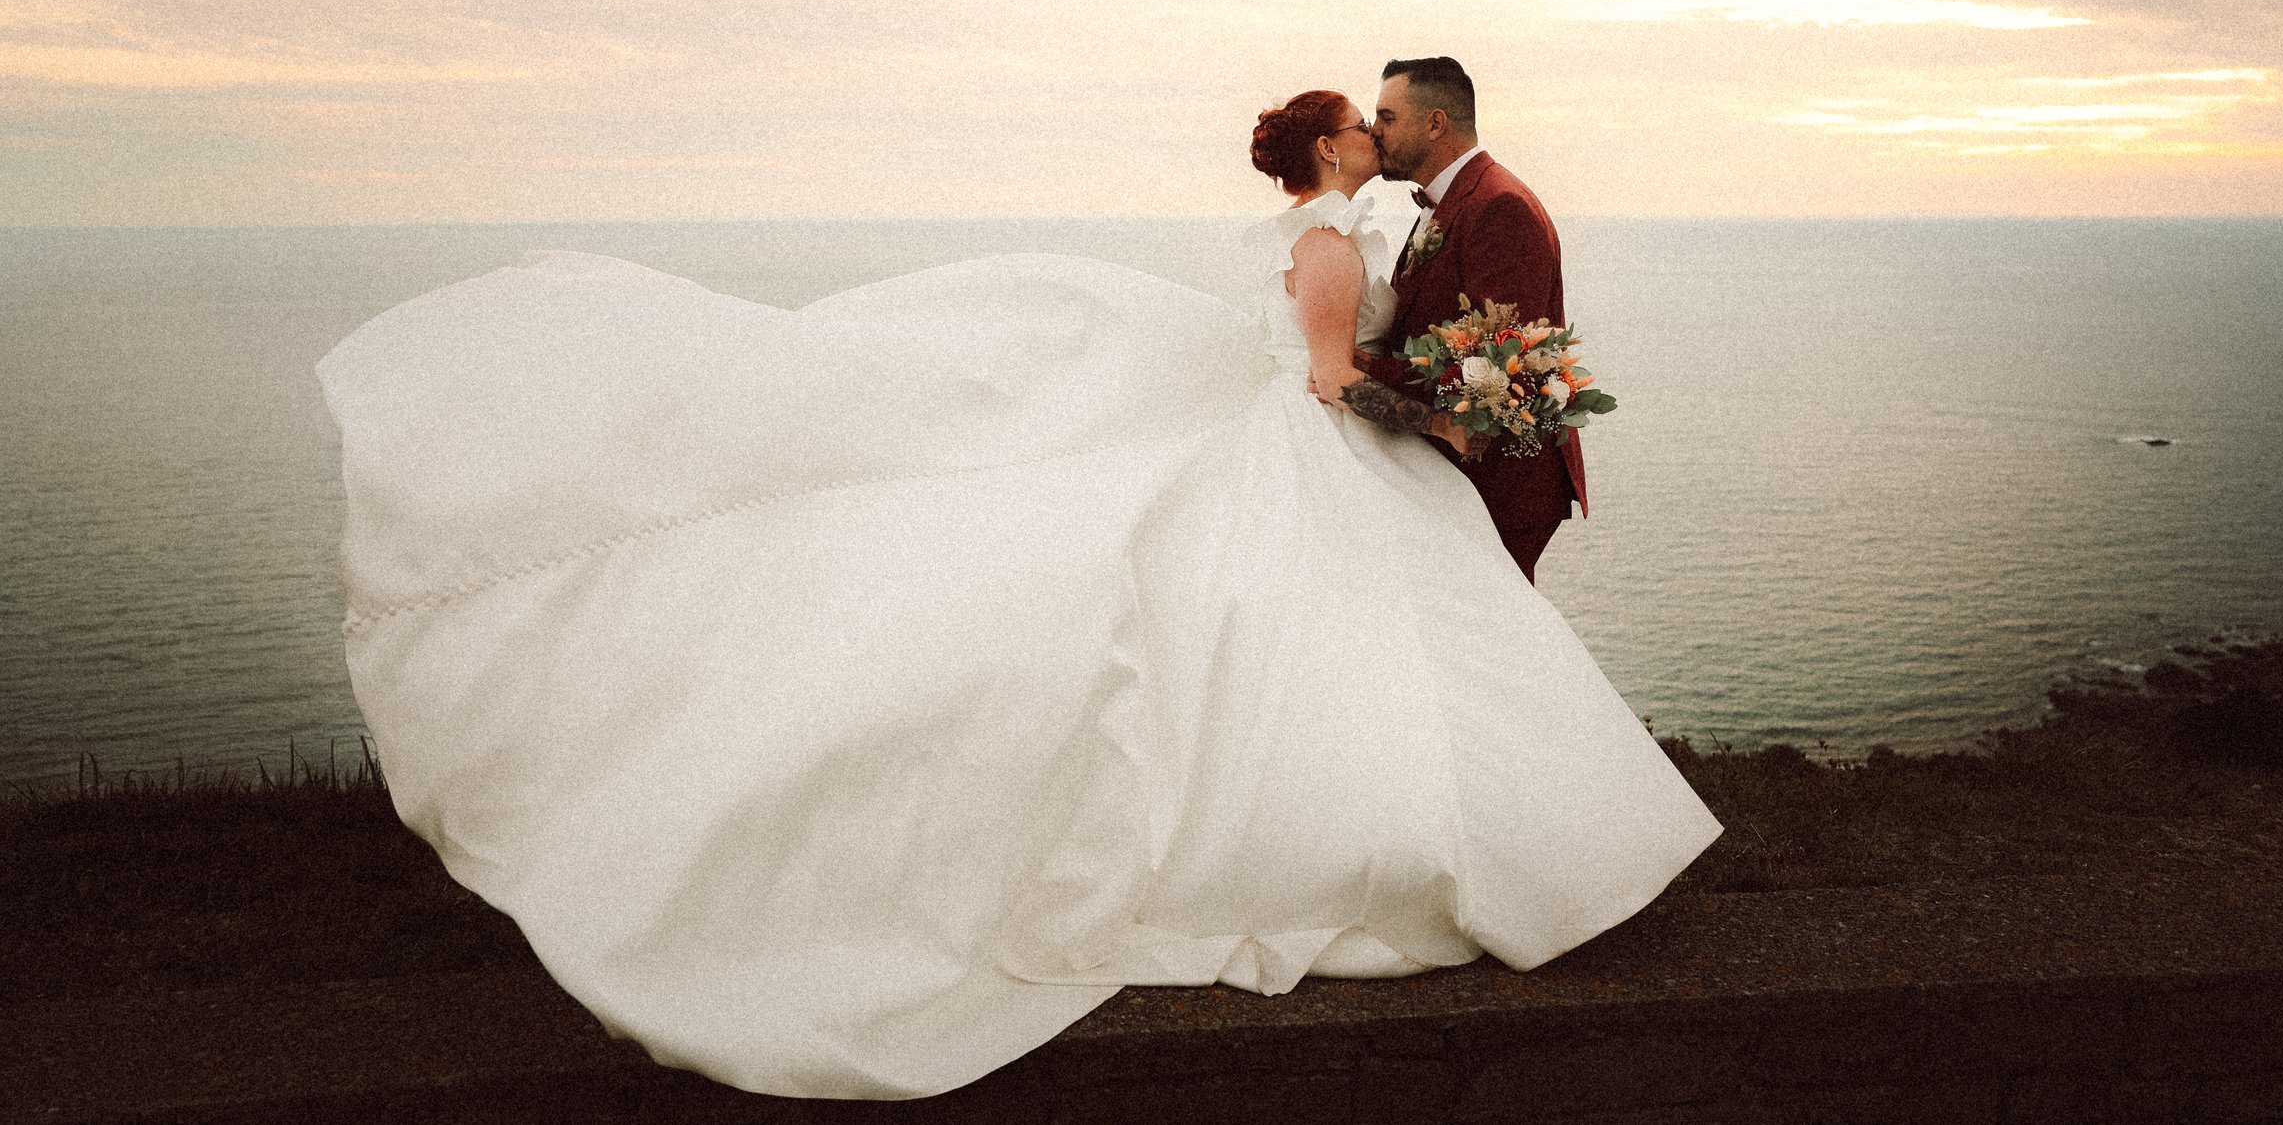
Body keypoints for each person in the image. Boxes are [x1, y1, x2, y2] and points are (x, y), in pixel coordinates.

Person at [316, 88, 1720, 1102]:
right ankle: (1446, 835)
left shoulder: (1319, 230)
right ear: (1326, 149)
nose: (1373, 131)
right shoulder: (1333, 240)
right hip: (1320, 444)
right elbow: (1326, 374)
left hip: (1314, 440)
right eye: (1359, 123)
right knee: (1328, 643)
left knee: (1354, 639)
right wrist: (1438, 416)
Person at [1358, 57, 1585, 580]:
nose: (1374, 131)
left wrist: (1361, 370)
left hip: (1498, 477)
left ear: (1435, 123)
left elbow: (1499, 369)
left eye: (1387, 117)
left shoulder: (1499, 206)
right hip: (1457, 471)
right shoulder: (1450, 201)